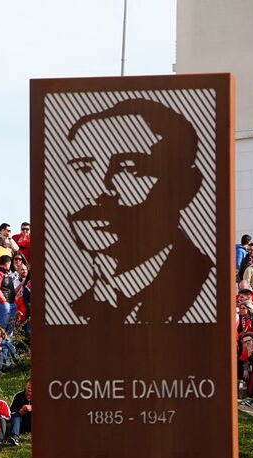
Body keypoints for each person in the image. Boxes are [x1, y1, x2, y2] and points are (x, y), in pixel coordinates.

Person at [63, 98, 214, 324]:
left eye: (129, 168)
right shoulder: (68, 303)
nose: (100, 190)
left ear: (185, 187)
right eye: (84, 168)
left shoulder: (203, 292)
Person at [9, 380, 33, 446]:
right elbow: (12, 409)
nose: (30, 390)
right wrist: (19, 411)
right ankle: (15, 437)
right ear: (25, 386)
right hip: (21, 423)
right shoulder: (19, 395)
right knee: (15, 415)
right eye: (28, 388)